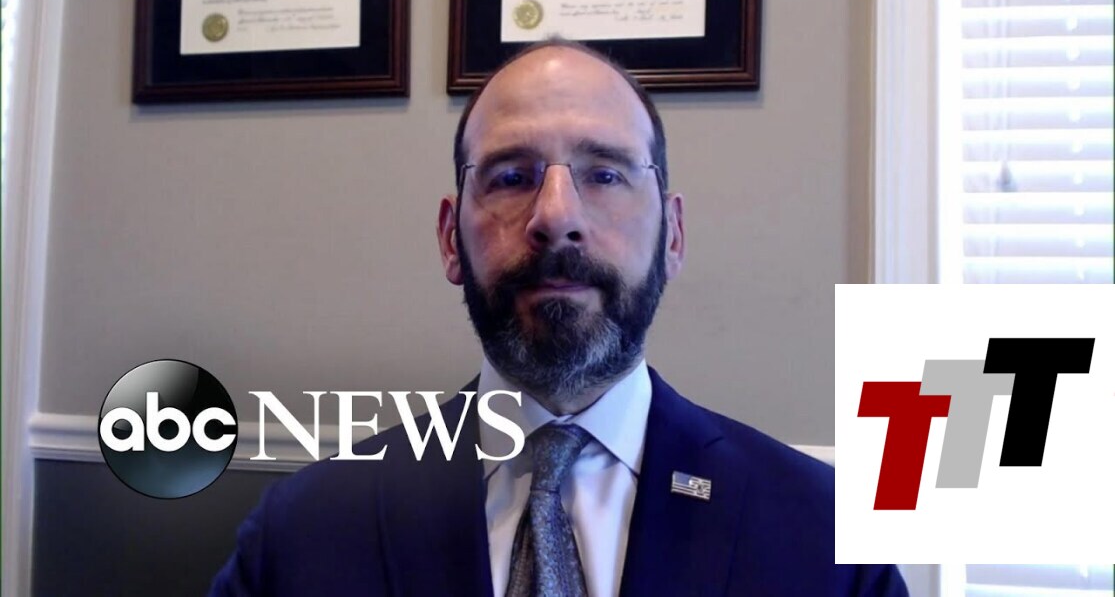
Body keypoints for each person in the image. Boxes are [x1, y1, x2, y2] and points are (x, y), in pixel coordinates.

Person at [210, 39, 908, 597]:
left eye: (604, 174)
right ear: (451, 239)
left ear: (672, 235)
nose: (555, 216)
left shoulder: (827, 538)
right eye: (511, 177)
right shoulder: (300, 534)